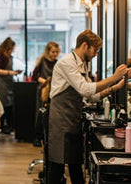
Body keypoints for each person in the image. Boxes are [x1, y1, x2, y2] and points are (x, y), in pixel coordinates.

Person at [48, 29, 129, 183]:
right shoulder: (66, 63)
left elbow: (92, 95)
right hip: (60, 121)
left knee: (75, 164)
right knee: (57, 167)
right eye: (95, 50)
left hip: (72, 119)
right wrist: (113, 77)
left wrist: (116, 87)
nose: (96, 54)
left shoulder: (82, 64)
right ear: (85, 45)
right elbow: (84, 89)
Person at [31, 41, 60, 147]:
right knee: (40, 113)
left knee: (50, 114)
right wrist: (45, 81)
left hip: (54, 91)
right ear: (48, 51)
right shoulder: (42, 61)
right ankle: (37, 137)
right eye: (53, 52)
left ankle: (48, 137)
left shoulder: (57, 63)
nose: (55, 54)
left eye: (56, 52)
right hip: (43, 90)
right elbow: (34, 76)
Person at [0, 37, 22, 134]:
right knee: (2, 104)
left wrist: (14, 73)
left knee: (9, 105)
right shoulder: (0, 57)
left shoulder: (10, 57)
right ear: (8, 48)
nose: (13, 50)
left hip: (9, 83)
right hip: (2, 84)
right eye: (12, 48)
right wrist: (10, 72)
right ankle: (2, 126)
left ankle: (10, 126)